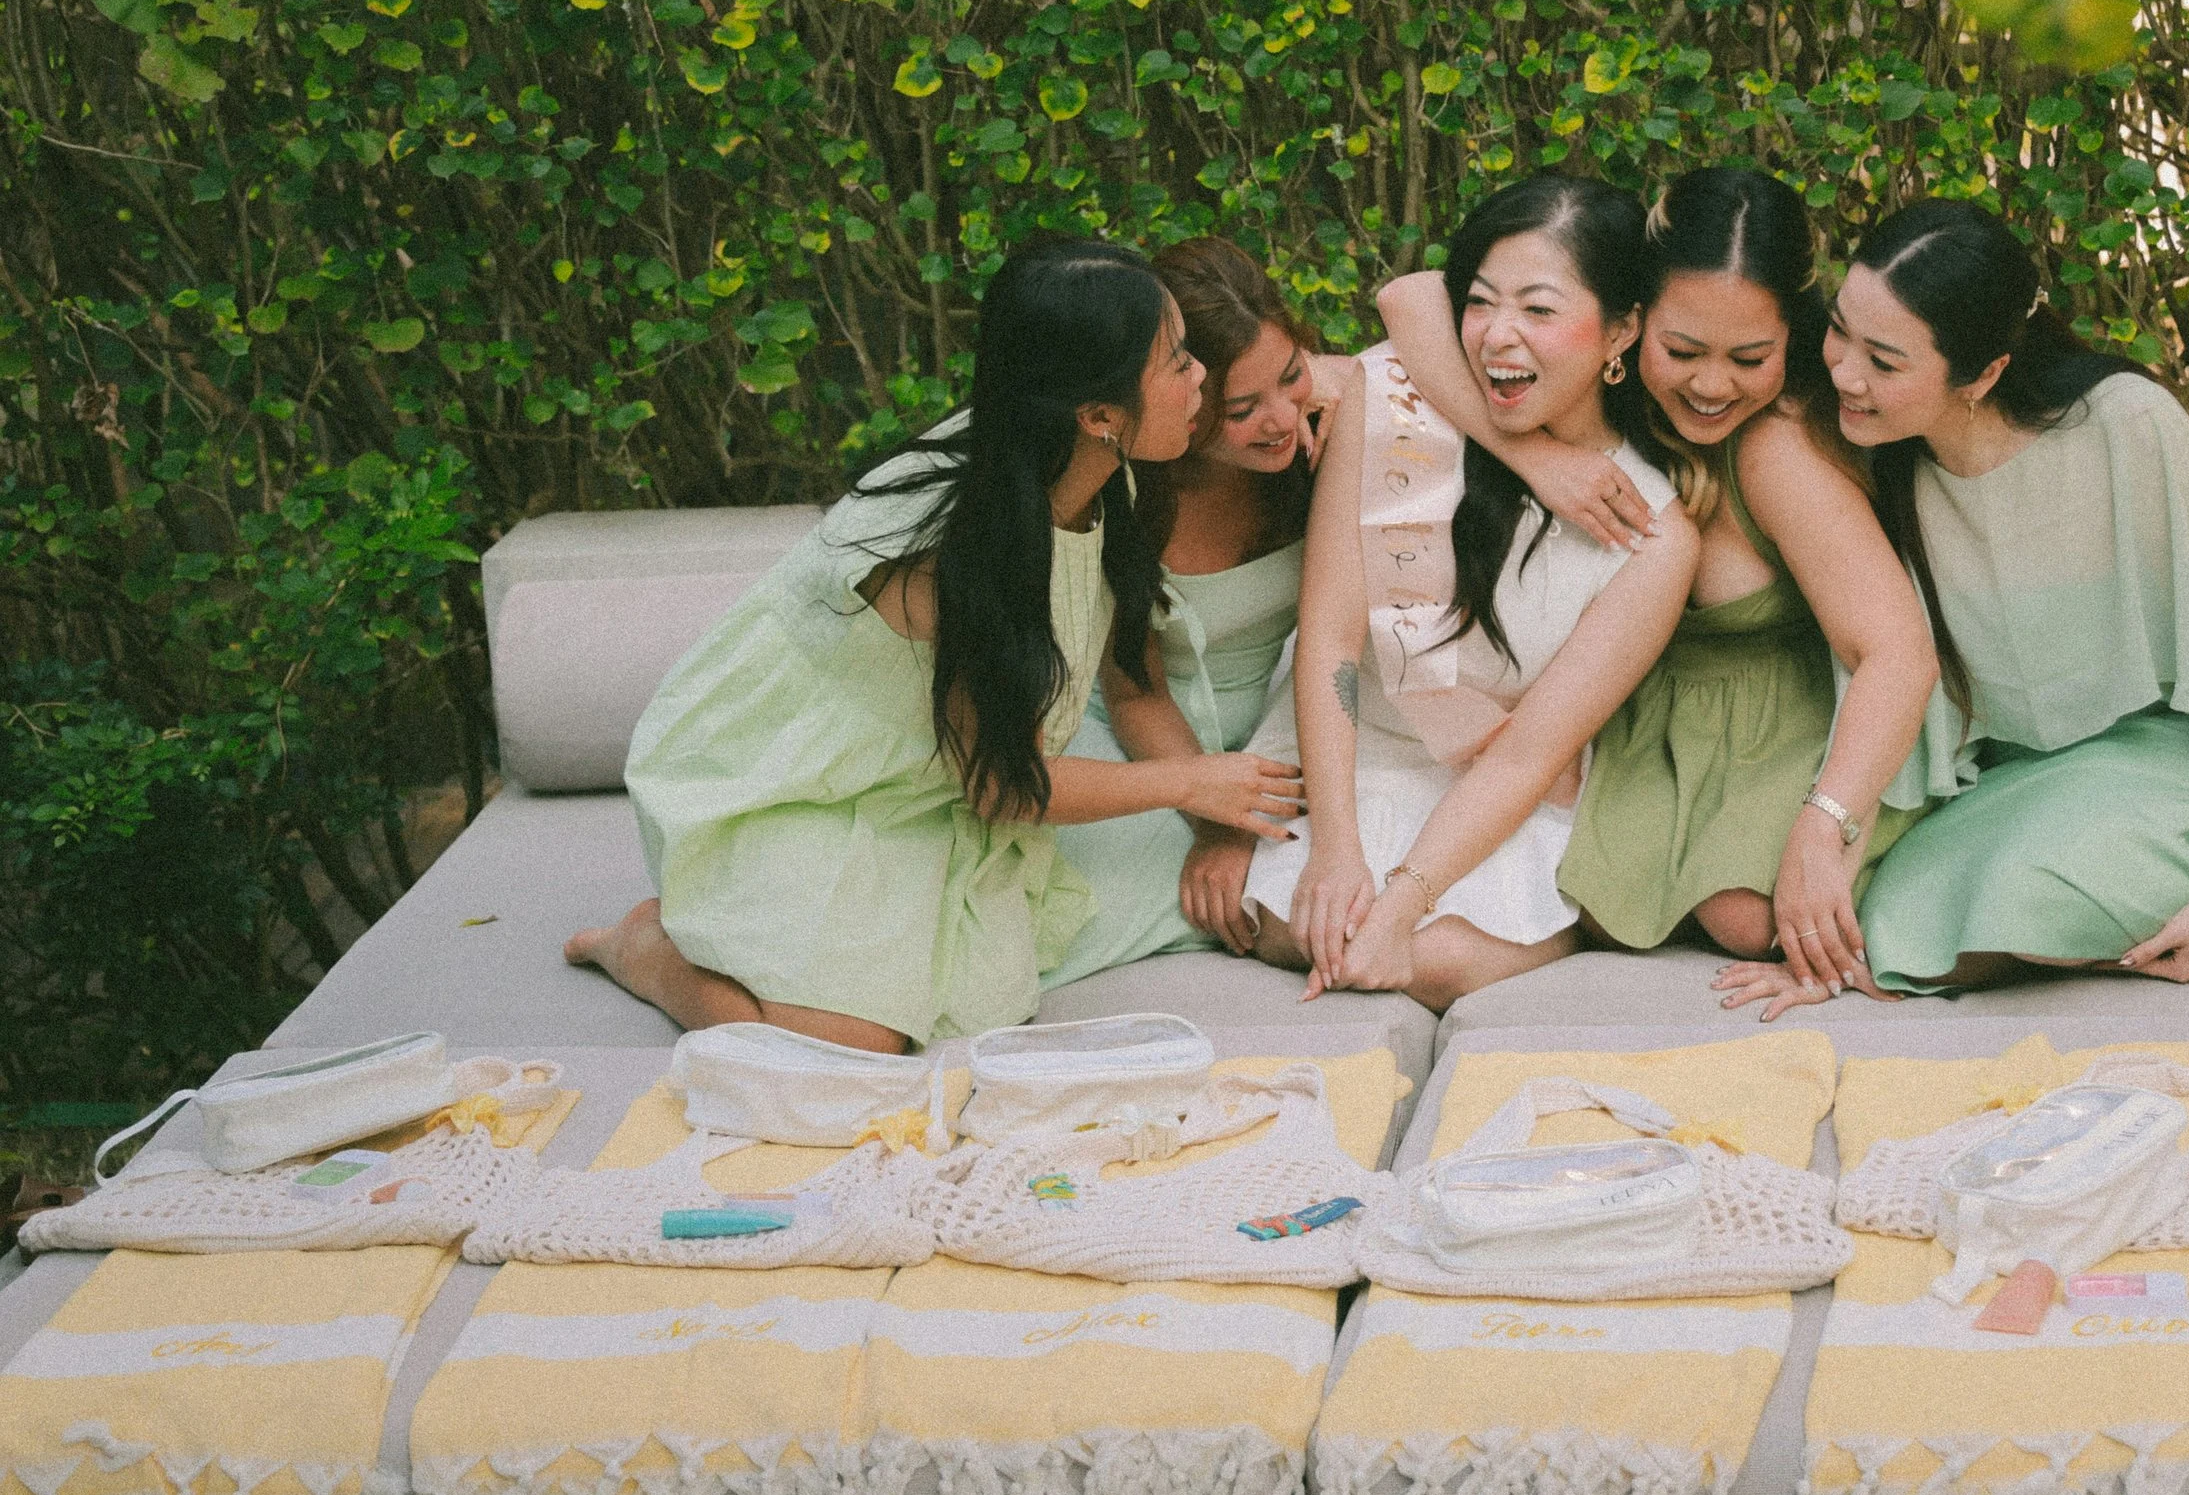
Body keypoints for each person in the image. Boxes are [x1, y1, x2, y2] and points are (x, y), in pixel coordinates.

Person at [562, 240, 1306, 1050]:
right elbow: (1003, 785)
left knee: (972, 995)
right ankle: (645, 948)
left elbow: (1128, 686)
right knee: (843, 1051)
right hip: (794, 778)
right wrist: (1192, 782)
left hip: (928, 776)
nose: (1203, 377)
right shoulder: (955, 549)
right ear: (1098, 413)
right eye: (1177, 364)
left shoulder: (1102, 463)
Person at [1771, 197, 2189, 1002]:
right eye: (1839, 330)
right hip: (2018, 788)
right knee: (1885, 922)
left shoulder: (2126, 425)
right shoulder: (1875, 455)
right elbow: (1893, 691)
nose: (1845, 373)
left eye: (1884, 361)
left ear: (1985, 373)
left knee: (2022, 892)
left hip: (2183, 767)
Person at [1379, 167, 1943, 1018]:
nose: (1711, 386)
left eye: (1749, 358)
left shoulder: (1776, 449)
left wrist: (1825, 827)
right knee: (1592, 897)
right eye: (1682, 352)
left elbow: (1897, 650)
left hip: (1776, 720)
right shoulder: (1612, 406)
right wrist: (1539, 458)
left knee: (1746, 917)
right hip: (1644, 718)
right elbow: (1415, 296)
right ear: (1628, 325)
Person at [1243, 175, 1704, 1011]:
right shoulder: (1392, 403)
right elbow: (1331, 638)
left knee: (1439, 957)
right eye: (1482, 302)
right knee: (1306, 922)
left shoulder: (1657, 538)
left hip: (1497, 790)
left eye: (1538, 309)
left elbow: (1530, 752)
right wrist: (1337, 852)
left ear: (1621, 330)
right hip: (1357, 757)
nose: (1498, 337)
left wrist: (1406, 899)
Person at [1040, 238, 1357, 981]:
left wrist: (1344, 389)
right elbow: (1133, 690)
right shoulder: (1133, 487)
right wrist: (1218, 823)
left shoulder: (1323, 446)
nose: (1280, 418)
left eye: (1292, 378)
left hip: (1289, 724)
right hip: (1146, 737)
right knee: (1093, 905)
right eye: (1242, 408)